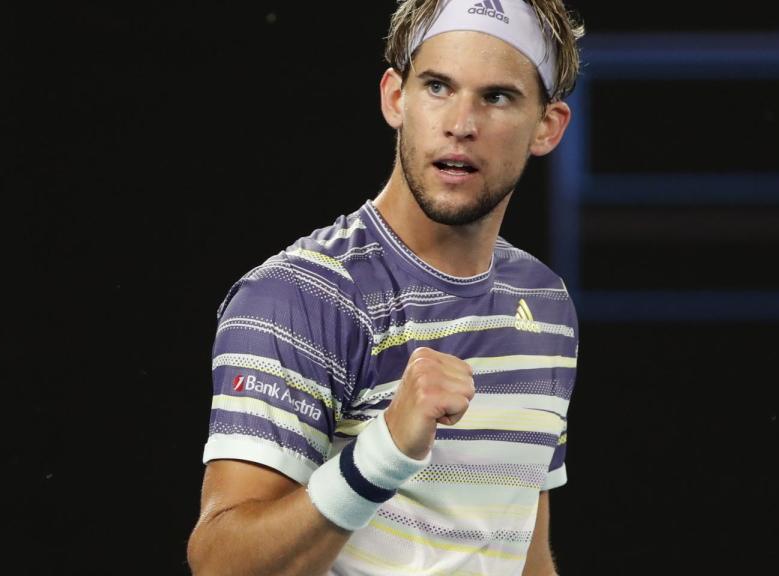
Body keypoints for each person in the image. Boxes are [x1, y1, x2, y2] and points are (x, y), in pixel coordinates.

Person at [187, 0, 584, 573]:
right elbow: (222, 565)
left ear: (547, 127)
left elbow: (522, 554)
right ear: (395, 97)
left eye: (496, 97)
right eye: (438, 87)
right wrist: (383, 453)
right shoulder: (300, 297)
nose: (461, 124)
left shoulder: (545, 304)